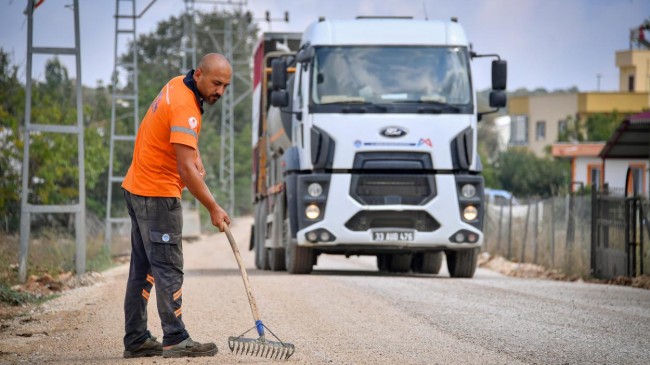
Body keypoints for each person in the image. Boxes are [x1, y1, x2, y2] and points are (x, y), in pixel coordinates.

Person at [121, 53, 232, 359]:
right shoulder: (187, 106)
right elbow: (185, 170)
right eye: (216, 83)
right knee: (168, 267)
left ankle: (136, 339)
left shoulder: (177, 85)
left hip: (137, 188)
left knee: (142, 269)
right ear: (199, 74)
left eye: (225, 86)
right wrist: (213, 206)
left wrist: (193, 155)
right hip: (157, 194)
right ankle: (175, 337)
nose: (220, 91)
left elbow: (180, 147)